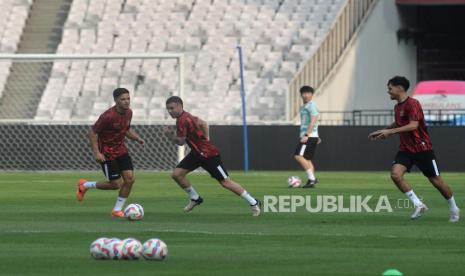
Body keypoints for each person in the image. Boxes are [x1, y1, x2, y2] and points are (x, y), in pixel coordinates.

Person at [368, 76, 459, 222]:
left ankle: (454, 208)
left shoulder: (413, 103)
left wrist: (390, 132)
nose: (388, 91)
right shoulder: (397, 106)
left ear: (400, 88)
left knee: (436, 181)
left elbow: (413, 125)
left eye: (390, 88)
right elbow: (398, 123)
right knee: (395, 175)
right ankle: (418, 204)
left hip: (422, 148)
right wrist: (382, 131)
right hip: (406, 149)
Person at [163, 96, 261, 216]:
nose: (170, 111)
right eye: (168, 109)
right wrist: (206, 138)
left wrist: (169, 136)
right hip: (196, 154)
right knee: (177, 174)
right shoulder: (188, 116)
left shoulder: (182, 120)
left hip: (209, 155)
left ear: (180, 106)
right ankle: (195, 198)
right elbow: (203, 123)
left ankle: (254, 202)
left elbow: (181, 142)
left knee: (226, 182)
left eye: (172, 108)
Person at [76, 88, 144, 218]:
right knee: (115, 184)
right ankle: (84, 185)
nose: (126, 102)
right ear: (116, 100)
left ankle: (117, 210)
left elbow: (126, 129)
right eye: (123, 99)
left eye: (128, 98)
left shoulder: (129, 113)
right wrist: (96, 152)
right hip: (107, 153)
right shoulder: (108, 116)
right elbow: (92, 132)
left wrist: (137, 138)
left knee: (129, 180)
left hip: (121, 150)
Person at [294, 85, 321, 188]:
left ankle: (312, 179)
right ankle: (312, 180)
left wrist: (307, 135)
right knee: (307, 159)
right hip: (312, 136)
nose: (306, 95)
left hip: (308, 136)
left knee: (298, 156)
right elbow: (315, 121)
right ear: (301, 95)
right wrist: (316, 135)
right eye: (304, 93)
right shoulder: (305, 106)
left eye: (308, 93)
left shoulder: (311, 106)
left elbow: (314, 120)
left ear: (312, 95)